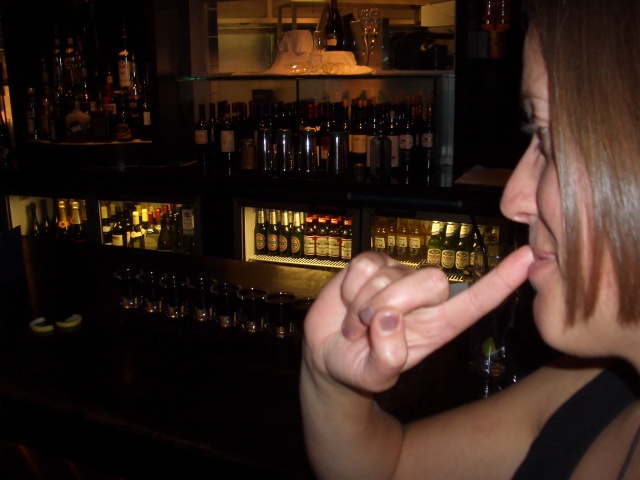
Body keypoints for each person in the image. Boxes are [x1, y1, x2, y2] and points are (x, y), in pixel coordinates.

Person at [299, 0, 640, 478]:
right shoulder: (595, 393)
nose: (513, 200)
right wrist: (330, 379)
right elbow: (389, 467)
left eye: (548, 140)